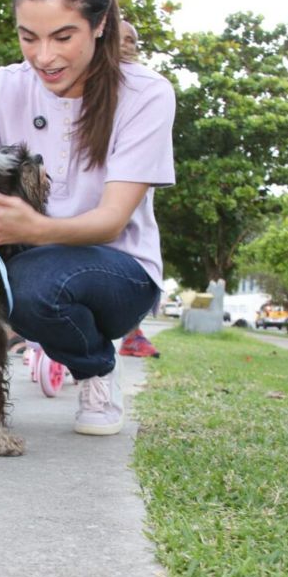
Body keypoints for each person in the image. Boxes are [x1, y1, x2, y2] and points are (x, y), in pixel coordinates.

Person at [0, 0, 175, 436]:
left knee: (30, 283)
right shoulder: (2, 88)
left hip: (118, 272)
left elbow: (111, 221)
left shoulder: (147, 94)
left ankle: (96, 368)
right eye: (28, 37)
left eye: (62, 36)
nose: (43, 56)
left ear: (99, 25)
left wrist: (30, 229)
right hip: (24, 259)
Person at [115, 18, 160, 359]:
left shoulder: (147, 90)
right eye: (121, 38)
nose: (127, 44)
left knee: (128, 243)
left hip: (130, 182)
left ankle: (132, 331)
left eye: (132, 39)